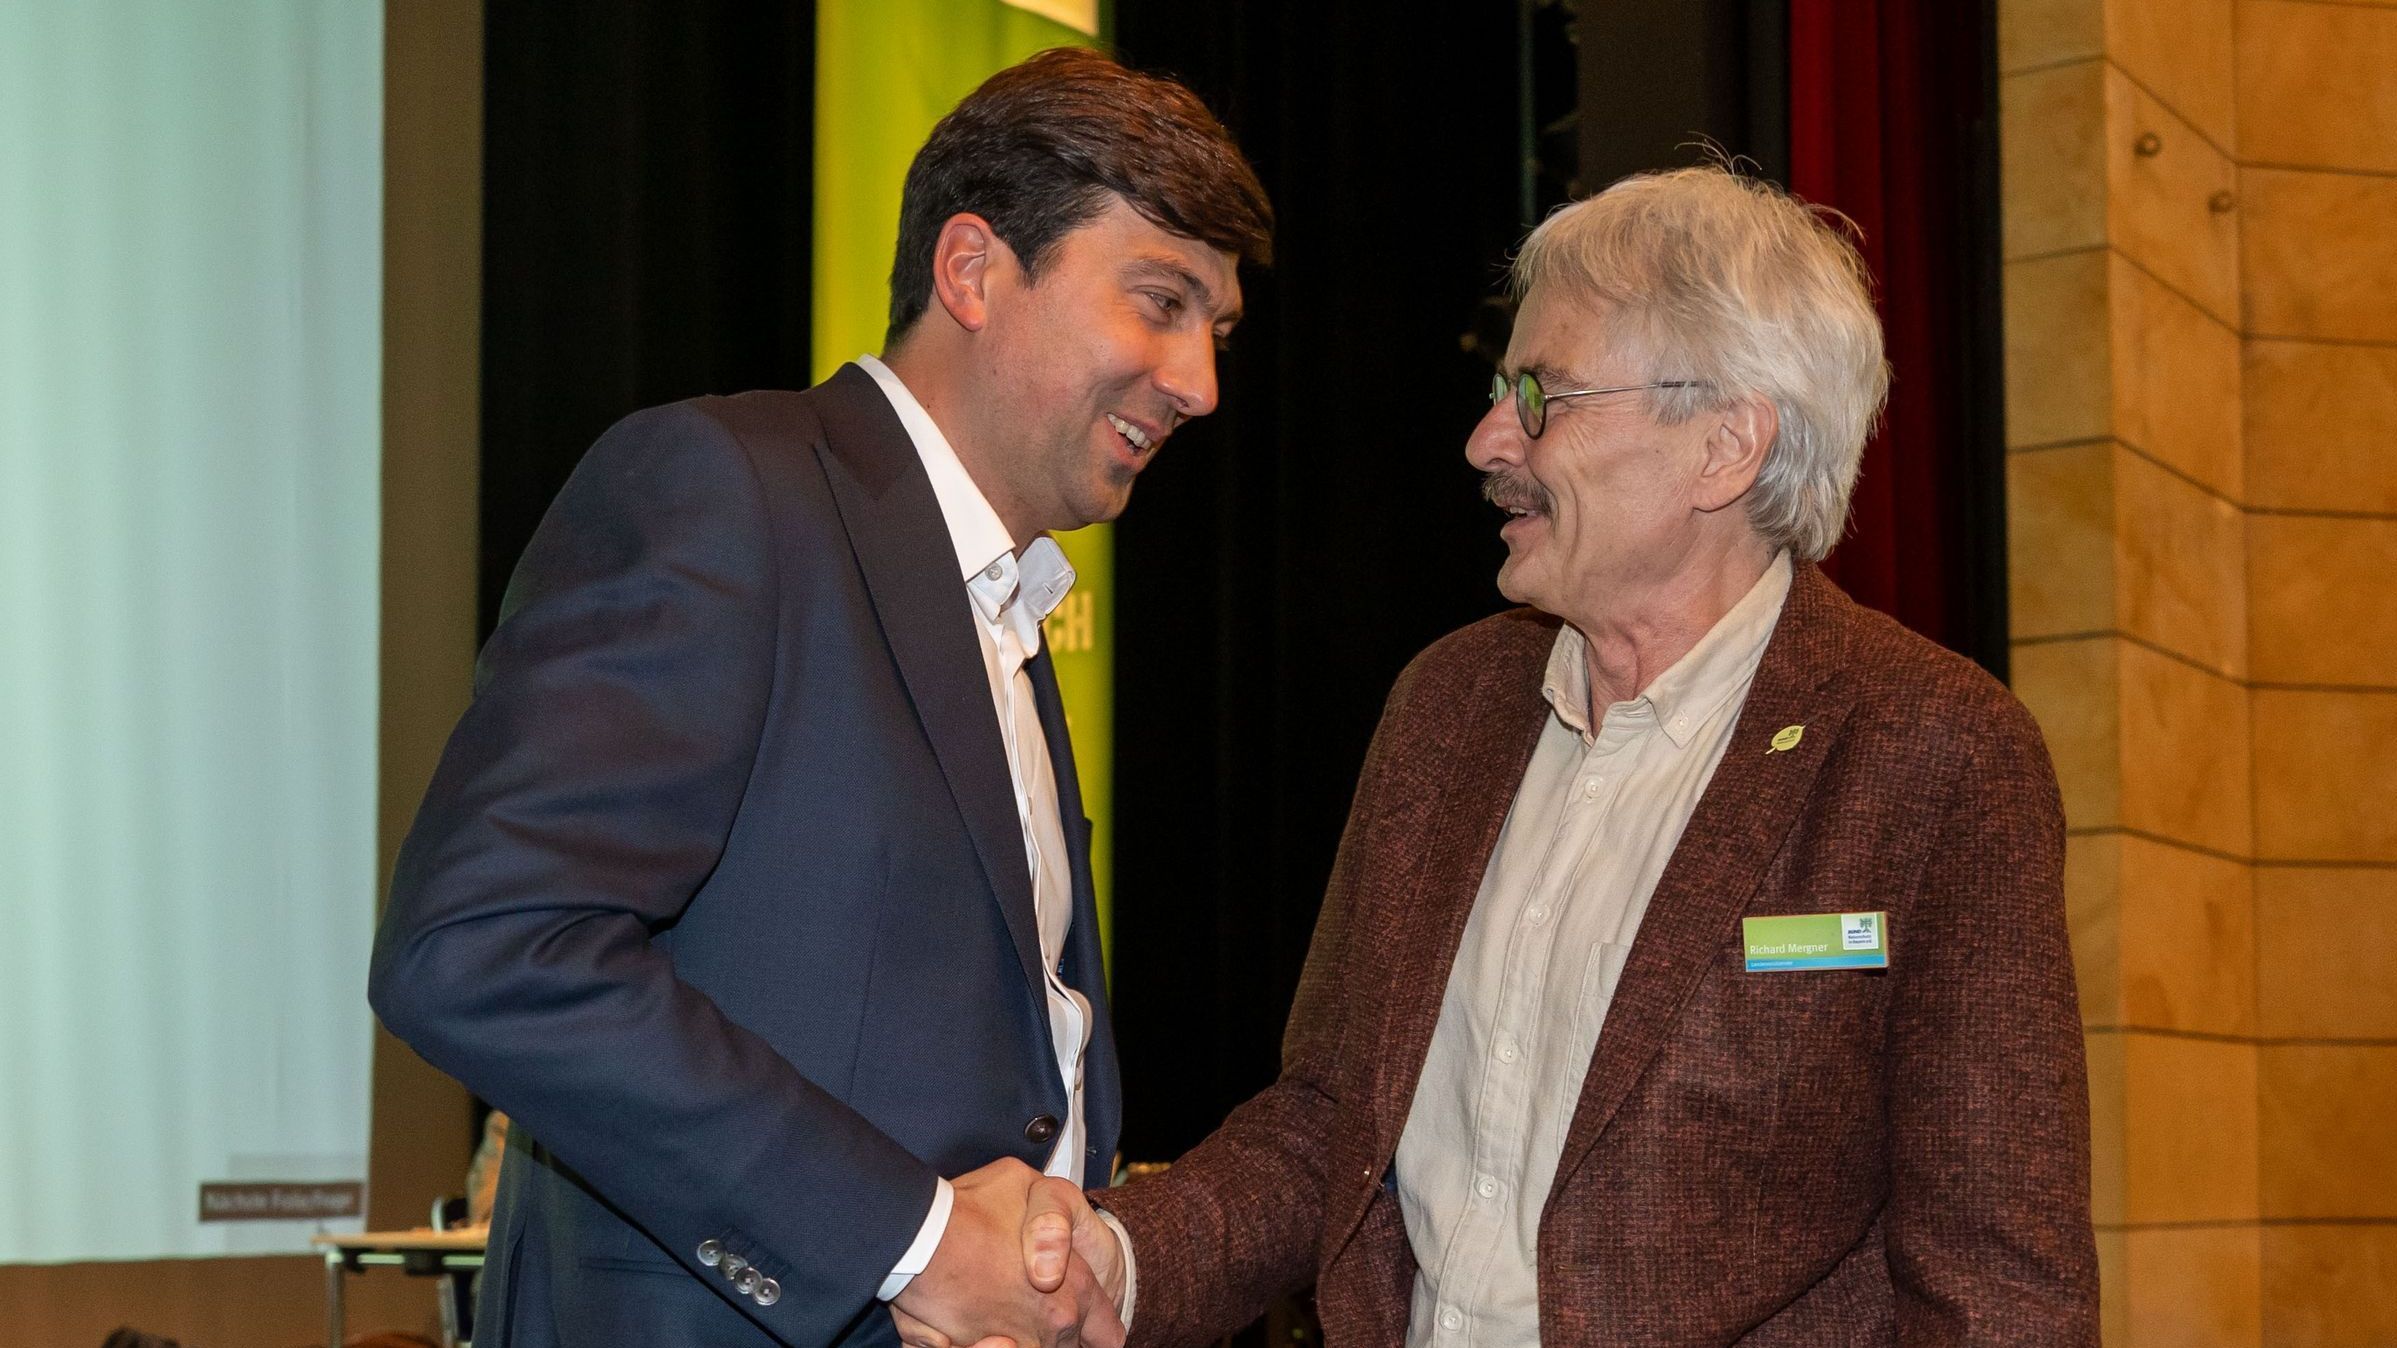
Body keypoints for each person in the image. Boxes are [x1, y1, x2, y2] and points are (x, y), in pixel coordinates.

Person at [943, 165, 2100, 1347]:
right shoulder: (1451, 706)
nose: (1487, 437)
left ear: (1726, 444)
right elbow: (1331, 1128)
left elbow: (2000, 1294)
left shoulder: (1931, 753)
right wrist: (1113, 1260)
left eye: (1541, 395)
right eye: (1503, 389)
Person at [368, 47, 1271, 1348]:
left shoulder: (998, 602)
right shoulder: (731, 495)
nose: (1199, 384)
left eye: (1217, 332)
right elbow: (482, 947)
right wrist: (908, 1242)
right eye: (1159, 302)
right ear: (972, 271)